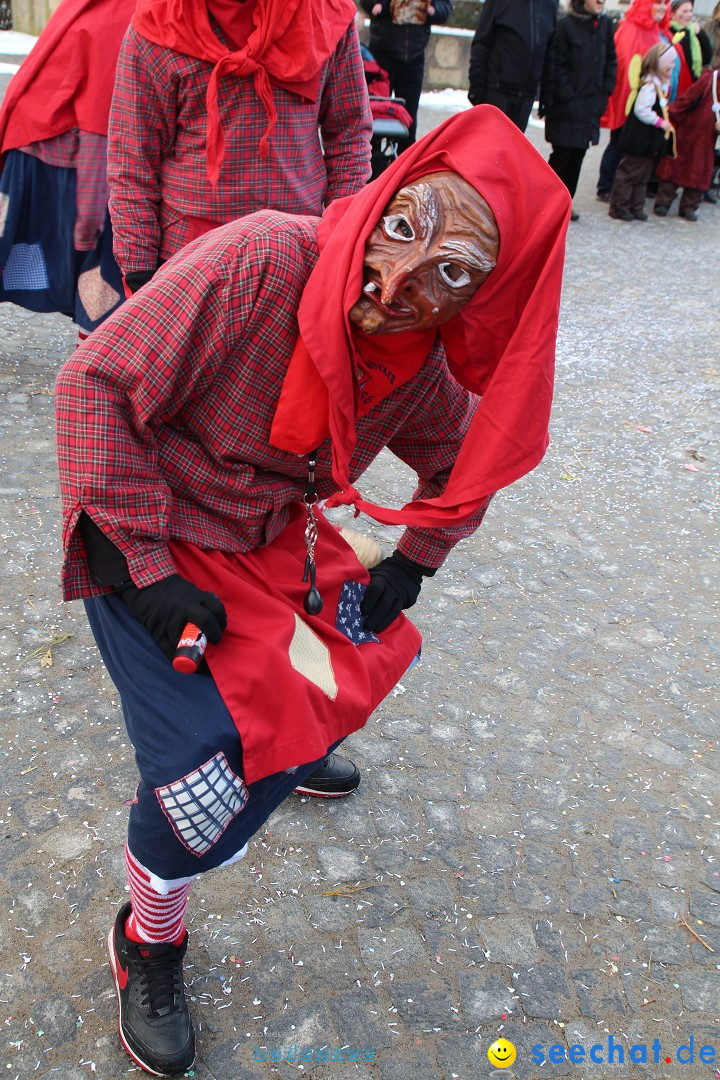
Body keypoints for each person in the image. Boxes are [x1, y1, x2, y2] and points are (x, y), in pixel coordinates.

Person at [55, 106, 570, 1076]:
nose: (399, 282)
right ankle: (149, 938)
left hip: (268, 537)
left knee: (359, 652)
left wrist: (417, 559)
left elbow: (464, 462)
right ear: (389, 192)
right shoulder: (258, 260)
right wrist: (145, 569)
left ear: (487, 299)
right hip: (151, 526)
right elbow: (92, 384)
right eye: (406, 228)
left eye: (450, 274)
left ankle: (289, 749)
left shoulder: (420, 362)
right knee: (200, 767)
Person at [107, 0, 373, 293]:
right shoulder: (159, 24)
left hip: (297, 258)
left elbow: (349, 134)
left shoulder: (324, 13)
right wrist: (139, 274)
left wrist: (341, 240)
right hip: (186, 262)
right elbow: (132, 162)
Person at [0, 0, 134, 342]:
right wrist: (89, 221)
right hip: (62, 163)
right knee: (103, 279)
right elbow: (98, 122)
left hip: (35, 149)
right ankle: (90, 372)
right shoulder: (123, 15)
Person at [544, 0, 618, 221]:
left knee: (578, 154)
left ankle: (566, 203)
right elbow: (555, 65)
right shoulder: (565, 25)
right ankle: (547, 204)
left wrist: (605, 92)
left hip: (590, 107)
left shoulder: (604, 25)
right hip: (567, 106)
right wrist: (567, 96)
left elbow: (611, 61)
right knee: (562, 154)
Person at [596, 0, 672, 201]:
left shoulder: (655, 30)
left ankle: (623, 186)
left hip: (646, 98)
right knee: (618, 142)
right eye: (658, 3)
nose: (663, 8)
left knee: (630, 147)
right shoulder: (631, 30)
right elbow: (622, 66)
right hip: (630, 97)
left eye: (666, 3)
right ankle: (605, 186)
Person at [359, 0, 454, 144]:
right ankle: (374, 163)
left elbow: (445, 8)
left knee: (409, 121)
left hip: (414, 57)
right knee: (373, 115)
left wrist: (433, 10)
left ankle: (405, 162)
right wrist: (382, 6)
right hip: (381, 53)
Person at [609, 42, 677, 220]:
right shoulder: (649, 86)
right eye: (670, 63)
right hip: (639, 139)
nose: (672, 67)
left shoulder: (661, 85)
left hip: (648, 142)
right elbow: (641, 110)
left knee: (643, 175)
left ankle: (636, 207)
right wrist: (660, 122)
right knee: (629, 173)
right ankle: (619, 206)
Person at [467, 0, 557, 133]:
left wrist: (547, 94)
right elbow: (482, 42)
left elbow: (549, 52)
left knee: (513, 151)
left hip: (526, 96)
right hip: (496, 91)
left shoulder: (549, 4)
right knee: (489, 146)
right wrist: (476, 85)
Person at [654, 59, 720, 218]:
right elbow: (688, 98)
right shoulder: (710, 79)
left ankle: (688, 207)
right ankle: (663, 202)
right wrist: (669, 116)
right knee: (676, 165)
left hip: (709, 137)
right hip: (690, 129)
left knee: (700, 171)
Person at [669, 0, 712, 97]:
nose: (689, 14)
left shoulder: (693, 31)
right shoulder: (669, 32)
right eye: (684, 11)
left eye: (690, 11)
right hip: (676, 85)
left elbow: (707, 57)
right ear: (672, 14)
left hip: (693, 84)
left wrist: (701, 33)